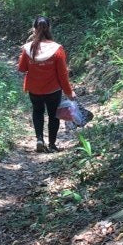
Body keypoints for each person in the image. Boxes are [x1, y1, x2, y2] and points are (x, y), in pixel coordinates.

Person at [17, 16, 76, 153]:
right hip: (53, 90)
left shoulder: (27, 49)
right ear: (49, 28)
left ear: (34, 29)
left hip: (34, 89)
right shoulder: (57, 49)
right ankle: (52, 144)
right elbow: (62, 74)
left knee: (37, 112)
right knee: (53, 115)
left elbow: (21, 68)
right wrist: (69, 91)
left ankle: (39, 139)